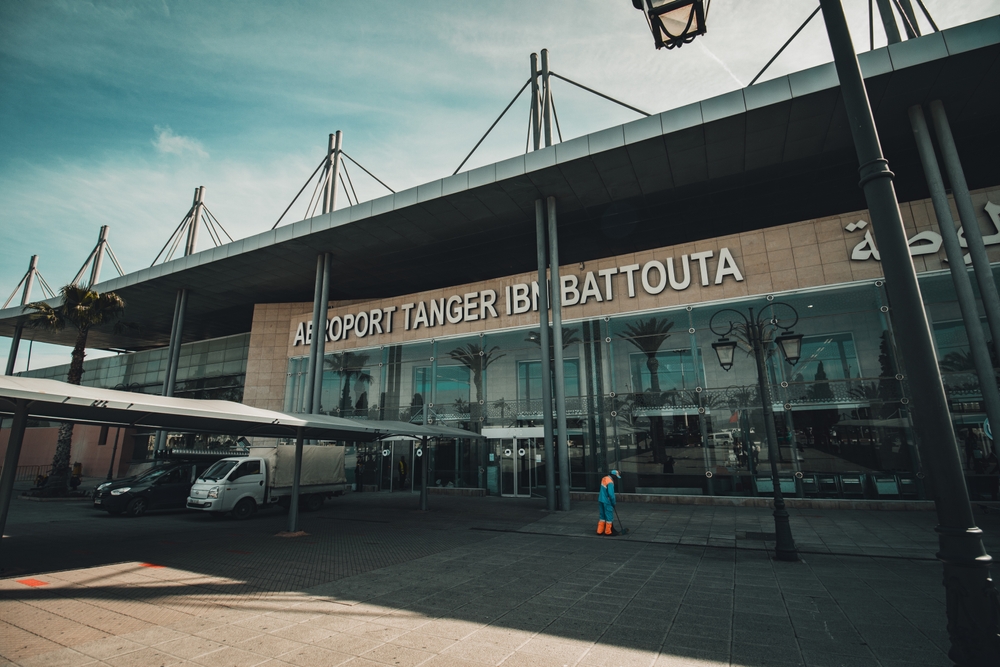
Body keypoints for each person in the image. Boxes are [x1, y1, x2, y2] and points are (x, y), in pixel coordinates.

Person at [597, 470, 621, 536]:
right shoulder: (610, 482)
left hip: (601, 499)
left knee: (602, 516)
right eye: (616, 477)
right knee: (609, 517)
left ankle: (599, 531)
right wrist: (613, 503)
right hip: (607, 501)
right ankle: (608, 531)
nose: (616, 478)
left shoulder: (604, 478)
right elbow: (611, 494)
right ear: (613, 475)